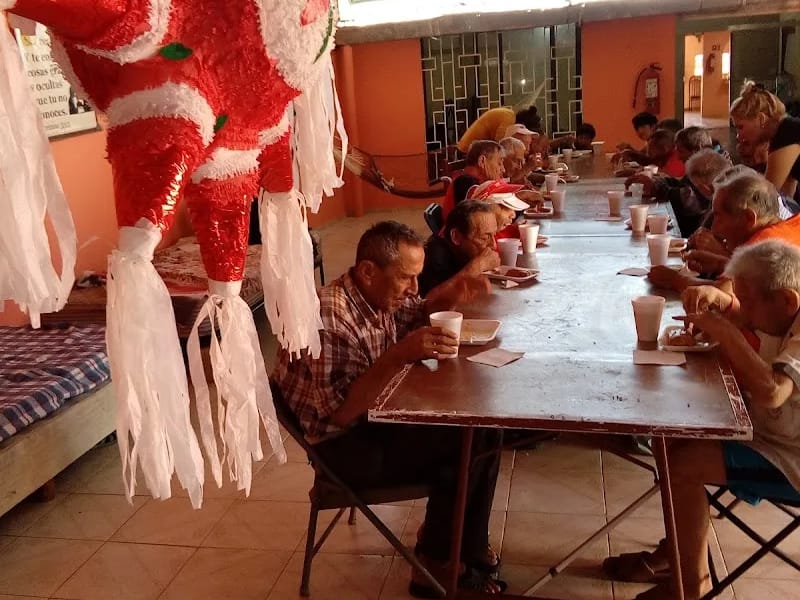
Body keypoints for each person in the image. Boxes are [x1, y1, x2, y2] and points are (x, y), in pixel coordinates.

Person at [271, 221, 505, 597]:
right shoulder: (330, 319)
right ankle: (435, 567)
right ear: (368, 271)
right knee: (465, 443)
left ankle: (461, 546)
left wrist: (445, 298)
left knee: (483, 429)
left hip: (373, 416)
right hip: (340, 446)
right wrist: (400, 355)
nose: (413, 288)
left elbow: (413, 311)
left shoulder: (375, 293)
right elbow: (341, 415)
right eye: (406, 279)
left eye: (418, 278)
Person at [605, 239, 800, 600]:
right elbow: (748, 314)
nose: (746, 314)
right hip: (771, 433)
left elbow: (773, 391)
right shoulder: (784, 309)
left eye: (750, 302)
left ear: (788, 300)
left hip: (791, 457)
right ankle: (678, 562)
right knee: (670, 437)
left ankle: (690, 588)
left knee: (683, 463)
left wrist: (725, 331)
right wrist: (725, 303)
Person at [648, 168, 800, 291]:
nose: (713, 228)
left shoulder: (763, 245)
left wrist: (675, 280)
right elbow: (762, 275)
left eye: (718, 217)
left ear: (748, 218)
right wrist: (722, 263)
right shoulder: (792, 224)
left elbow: (723, 292)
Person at [730, 80, 800, 198]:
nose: (738, 135)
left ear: (761, 119)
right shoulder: (786, 128)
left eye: (740, 127)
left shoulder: (786, 132)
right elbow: (787, 191)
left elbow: (766, 193)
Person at [419, 201, 500, 297]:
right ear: (456, 236)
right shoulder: (433, 256)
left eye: (494, 235)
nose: (494, 245)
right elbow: (427, 304)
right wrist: (477, 266)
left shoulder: (465, 254)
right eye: (484, 238)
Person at [443, 140, 505, 219]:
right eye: (499, 163)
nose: (503, 169)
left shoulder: (471, 180)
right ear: (482, 161)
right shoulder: (466, 183)